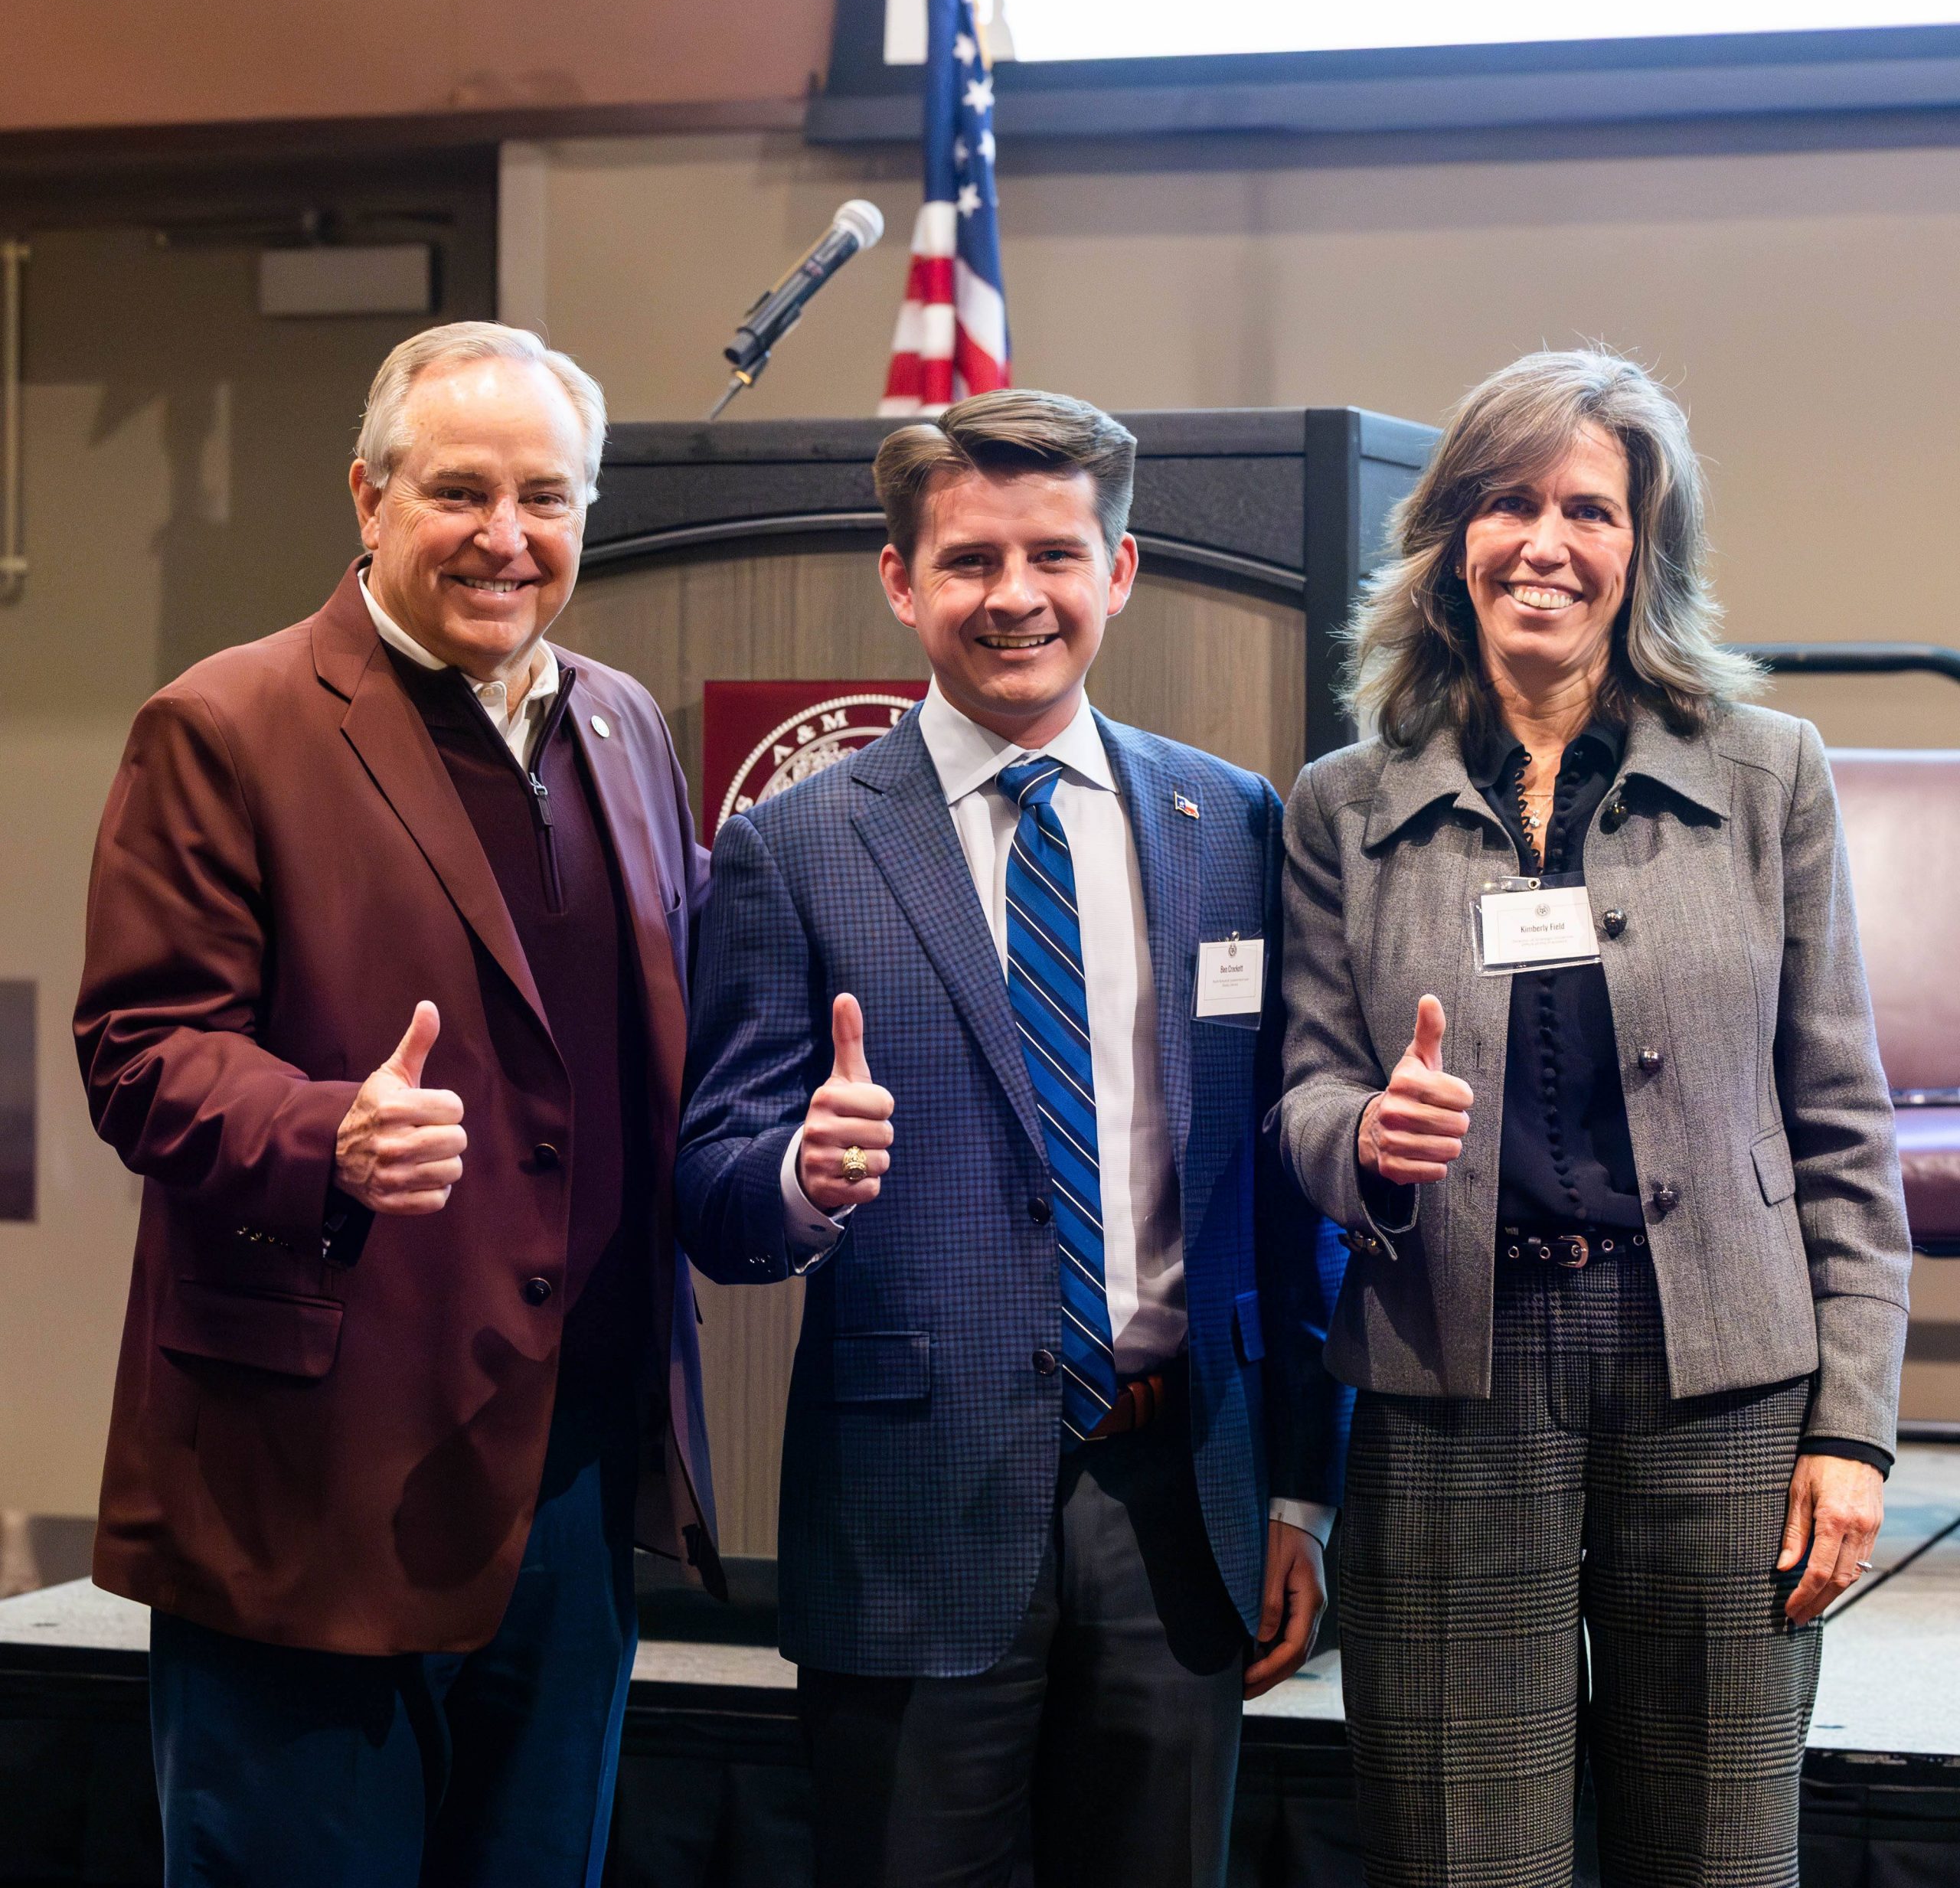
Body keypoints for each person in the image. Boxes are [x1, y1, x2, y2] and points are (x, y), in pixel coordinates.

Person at [676, 389, 1350, 1888]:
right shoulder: (793, 844)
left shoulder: (1226, 821)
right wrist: (799, 1174)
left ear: (1116, 572)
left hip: (1179, 1492)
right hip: (907, 1514)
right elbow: (710, 1190)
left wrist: (1302, 1483)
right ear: (901, 580)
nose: (1014, 595)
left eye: (1054, 553)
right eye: (970, 559)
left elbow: (1272, 1187)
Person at [74, 322, 717, 1888]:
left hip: (565, 1463)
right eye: (458, 492)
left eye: (546, 497)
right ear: (367, 497)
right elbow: (142, 1044)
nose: (507, 537)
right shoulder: (225, 724)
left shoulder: (625, 727)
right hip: (309, 1468)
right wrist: (323, 1133)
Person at [1277, 348, 1912, 1888]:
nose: (1543, 542)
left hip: (1719, 1375)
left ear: (1643, 549)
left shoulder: (1768, 776)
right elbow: (1299, 1094)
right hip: (1448, 1372)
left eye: (1587, 508)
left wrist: (1849, 1426)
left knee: (1712, 1843)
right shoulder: (1341, 804)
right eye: (1504, 503)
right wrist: (1365, 1137)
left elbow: (1838, 1113)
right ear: (1449, 539)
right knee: (1458, 1843)